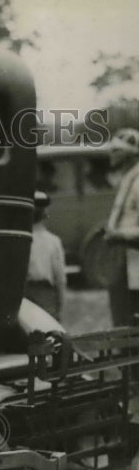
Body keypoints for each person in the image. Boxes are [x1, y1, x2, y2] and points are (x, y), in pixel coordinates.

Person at [103, 127, 139, 329]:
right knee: (122, 320)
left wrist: (119, 234)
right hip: (123, 257)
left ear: (131, 154)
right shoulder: (127, 178)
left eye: (117, 150)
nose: (111, 154)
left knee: (129, 321)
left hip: (133, 260)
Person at [25, 190, 67, 320]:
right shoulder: (53, 241)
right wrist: (61, 308)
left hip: (26, 297)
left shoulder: (21, 240)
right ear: (45, 214)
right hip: (45, 297)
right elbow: (60, 279)